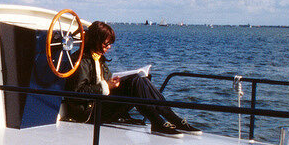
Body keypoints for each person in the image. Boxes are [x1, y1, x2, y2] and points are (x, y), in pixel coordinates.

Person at [68, 20, 200, 137]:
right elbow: (77, 92)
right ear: (96, 41)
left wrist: (112, 84)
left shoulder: (98, 59)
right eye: (106, 44)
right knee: (135, 81)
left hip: (99, 106)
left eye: (110, 44)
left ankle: (169, 118)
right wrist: (106, 86)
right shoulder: (81, 61)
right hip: (89, 112)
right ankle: (161, 121)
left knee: (141, 79)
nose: (109, 47)